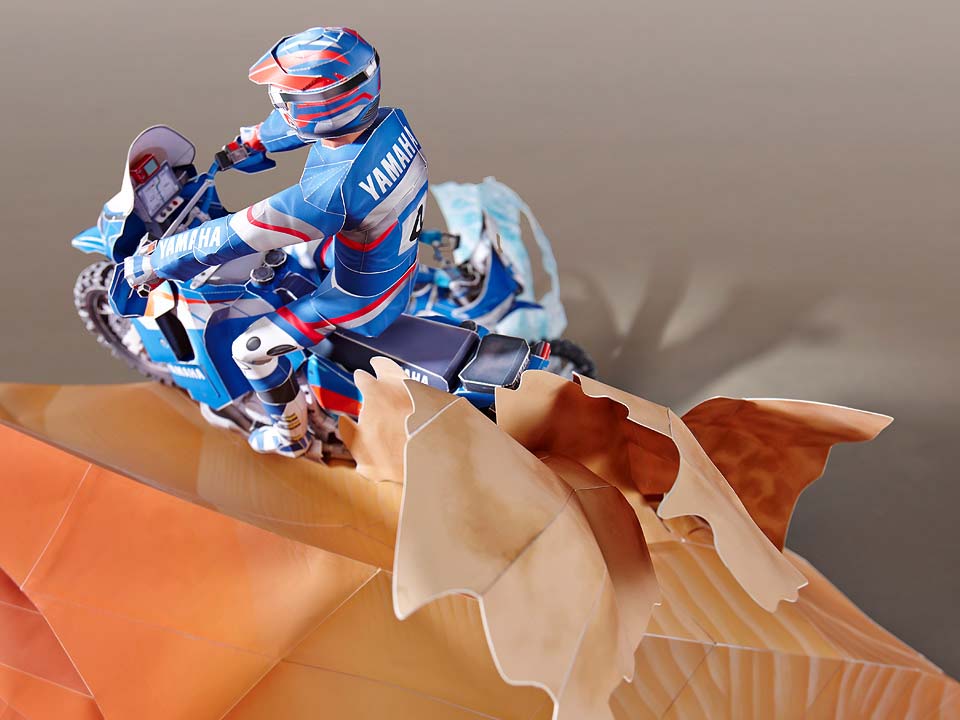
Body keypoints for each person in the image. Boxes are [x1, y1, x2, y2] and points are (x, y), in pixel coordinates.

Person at [124, 27, 428, 458]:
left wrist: (158, 260)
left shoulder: (332, 193)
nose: (282, 107)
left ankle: (292, 436)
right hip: (386, 260)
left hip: (359, 300)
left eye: (287, 99)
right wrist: (255, 140)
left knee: (249, 349)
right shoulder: (388, 126)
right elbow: (314, 124)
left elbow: (243, 230)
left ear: (324, 102)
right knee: (298, 257)